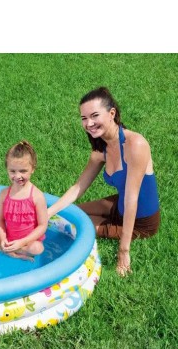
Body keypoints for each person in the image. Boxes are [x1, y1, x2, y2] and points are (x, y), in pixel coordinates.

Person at [47, 87, 160, 276]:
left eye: (94, 116)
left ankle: (113, 230)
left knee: (74, 225)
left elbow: (132, 199)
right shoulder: (101, 151)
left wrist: (124, 252)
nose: (89, 123)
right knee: (71, 214)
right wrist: (48, 212)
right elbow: (78, 188)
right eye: (84, 118)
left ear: (112, 114)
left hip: (141, 221)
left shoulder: (135, 145)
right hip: (119, 204)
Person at [0, 140, 48, 260]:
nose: (17, 176)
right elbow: (0, 220)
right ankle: (13, 252)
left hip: (28, 241)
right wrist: (3, 239)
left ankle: (6, 250)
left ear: (32, 169)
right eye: (12, 171)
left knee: (37, 248)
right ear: (7, 169)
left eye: (23, 171)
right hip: (9, 238)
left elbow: (42, 225)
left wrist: (22, 242)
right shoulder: (4, 194)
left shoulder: (37, 196)